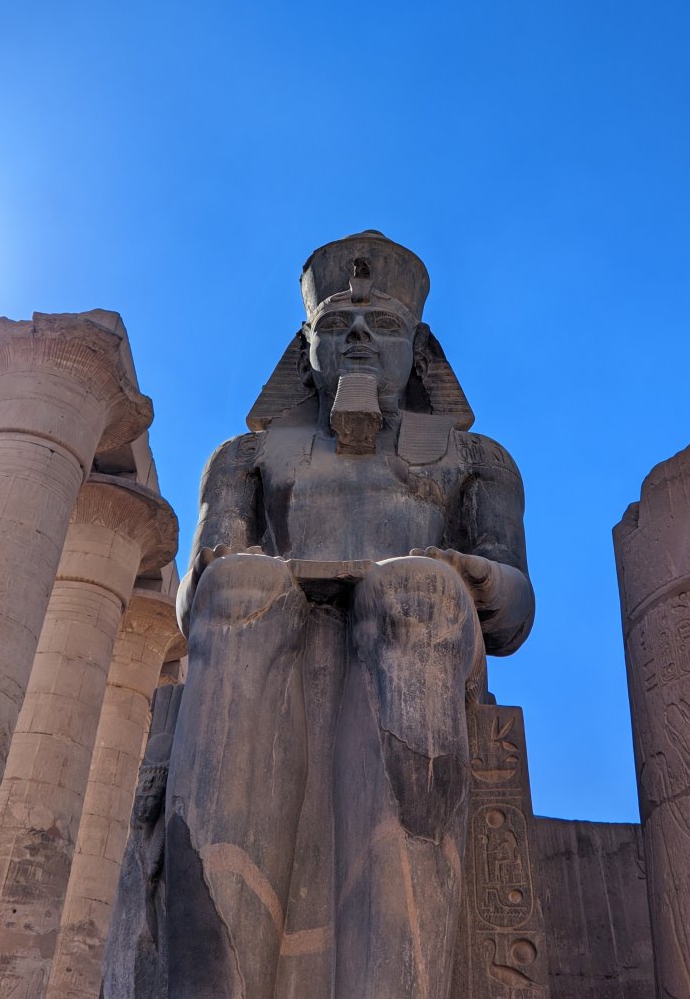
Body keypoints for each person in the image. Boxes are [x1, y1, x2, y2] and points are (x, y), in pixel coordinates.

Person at [105, 231, 534, 999]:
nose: (358, 338)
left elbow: (513, 612)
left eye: (381, 326)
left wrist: (477, 576)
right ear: (305, 353)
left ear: (419, 351)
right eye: (335, 325)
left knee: (412, 590)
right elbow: (196, 598)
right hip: (266, 624)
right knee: (241, 587)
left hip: (422, 628)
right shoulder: (243, 457)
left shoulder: (476, 459)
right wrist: (226, 576)